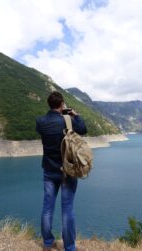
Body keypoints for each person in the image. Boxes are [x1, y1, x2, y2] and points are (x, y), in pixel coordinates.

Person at [36, 91, 87, 251]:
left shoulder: (40, 121)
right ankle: (70, 247)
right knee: (67, 209)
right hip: (67, 172)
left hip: (49, 171)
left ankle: (47, 243)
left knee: (47, 207)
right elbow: (83, 129)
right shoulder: (67, 121)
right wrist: (75, 116)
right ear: (62, 104)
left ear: (49, 104)